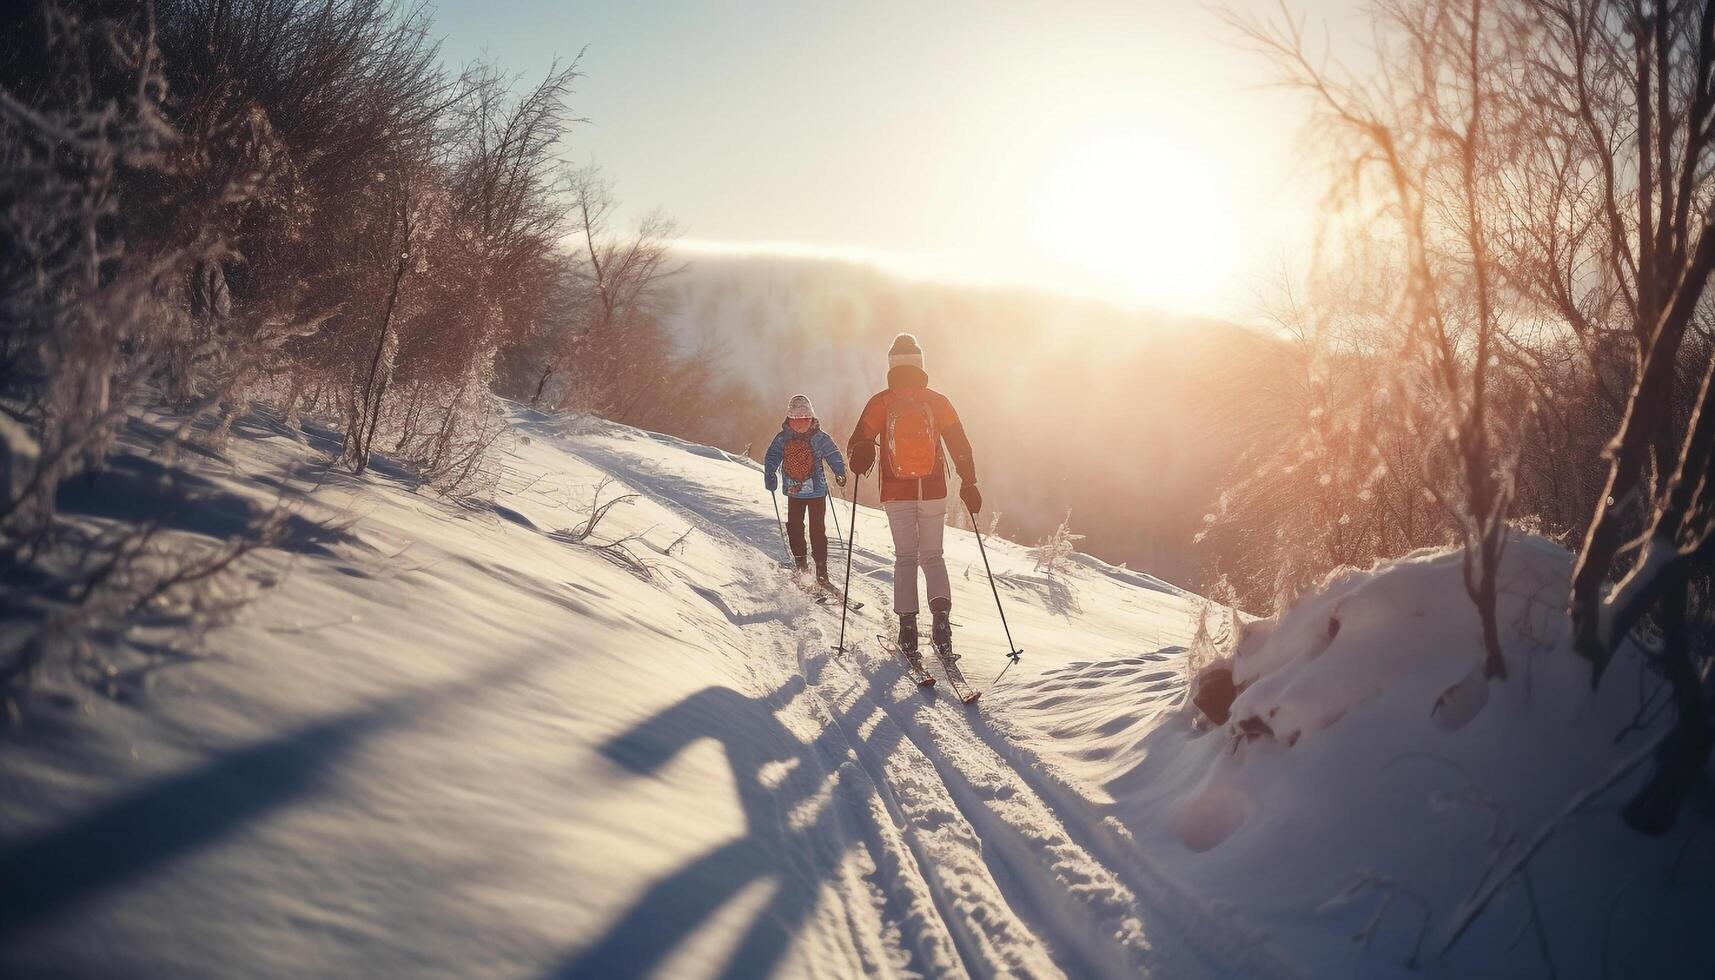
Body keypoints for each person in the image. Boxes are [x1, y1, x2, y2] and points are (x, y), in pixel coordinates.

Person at [846, 333, 980, 660]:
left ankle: (907, 631)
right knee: (933, 556)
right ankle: (942, 628)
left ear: (891, 365)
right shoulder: (938, 401)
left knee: (905, 557)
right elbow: (960, 445)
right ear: (920, 363)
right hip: (933, 489)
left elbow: (856, 445)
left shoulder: (881, 402)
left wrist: (861, 455)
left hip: (895, 491)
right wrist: (969, 483)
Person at [764, 394, 847, 587]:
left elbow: (772, 456)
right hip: (810, 491)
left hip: (803, 492)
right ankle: (809, 569)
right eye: (796, 419)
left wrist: (839, 471)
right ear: (790, 418)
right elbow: (833, 453)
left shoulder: (784, 438)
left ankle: (812, 570)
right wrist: (838, 472)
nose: (800, 422)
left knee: (804, 528)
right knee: (807, 529)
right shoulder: (818, 437)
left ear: (811, 418)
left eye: (804, 418)